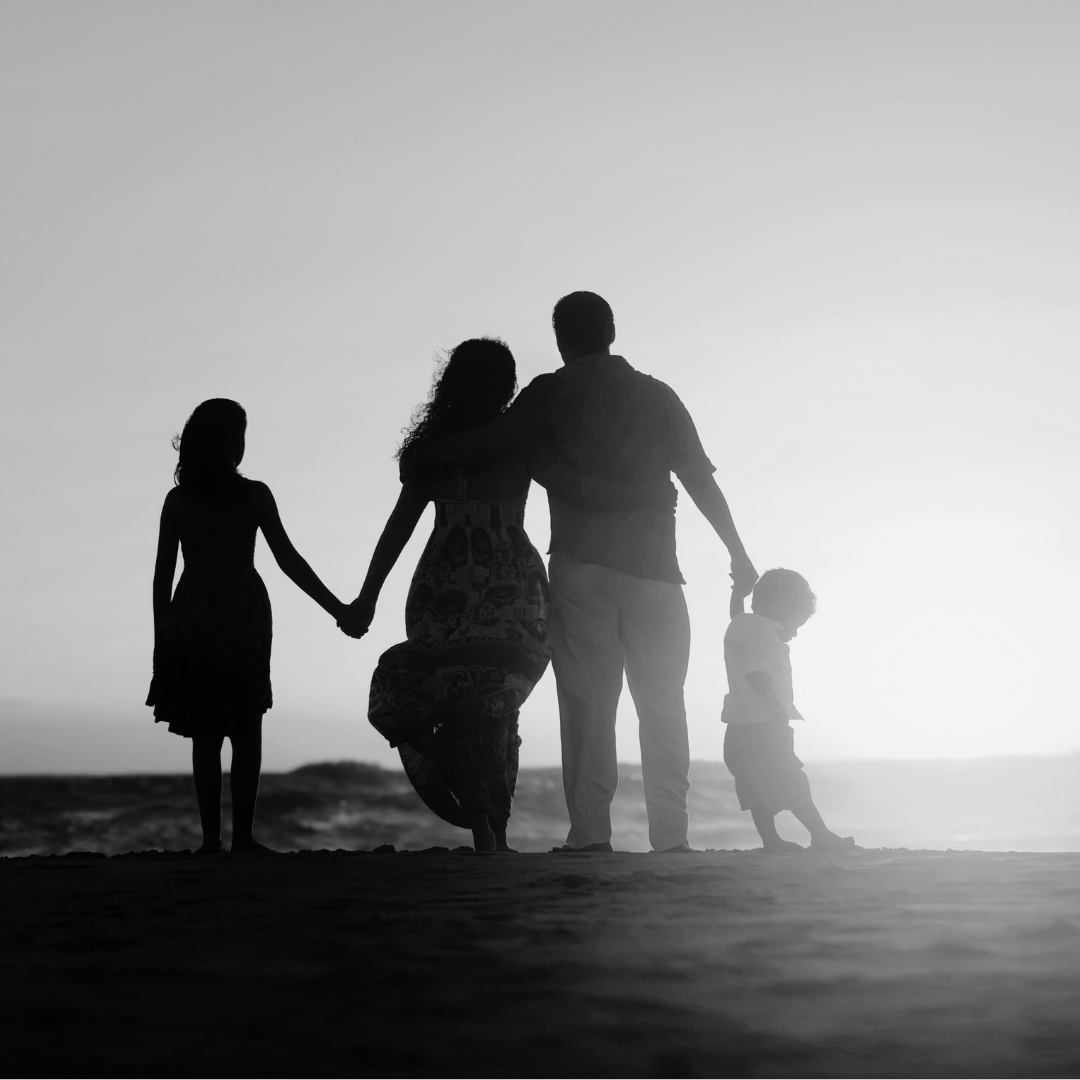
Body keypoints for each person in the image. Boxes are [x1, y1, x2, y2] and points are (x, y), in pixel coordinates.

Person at [417, 292, 757, 853]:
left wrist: (426, 455)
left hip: (584, 570)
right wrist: (737, 555)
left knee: (588, 703)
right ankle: (671, 838)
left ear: (560, 338)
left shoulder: (550, 392)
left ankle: (591, 836)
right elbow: (700, 479)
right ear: (613, 331)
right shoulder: (657, 395)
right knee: (663, 703)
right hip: (657, 573)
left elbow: (492, 441)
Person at [338, 337, 666, 853]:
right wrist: (641, 493)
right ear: (506, 385)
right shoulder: (518, 444)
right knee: (496, 705)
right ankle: (493, 832)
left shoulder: (432, 453)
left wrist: (368, 596)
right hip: (509, 586)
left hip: (441, 585)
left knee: (456, 697)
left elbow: (396, 530)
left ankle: (485, 826)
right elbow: (575, 487)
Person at [147, 398, 346, 854]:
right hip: (242, 614)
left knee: (207, 732)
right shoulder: (252, 494)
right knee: (245, 727)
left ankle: (212, 843)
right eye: (238, 434)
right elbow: (289, 561)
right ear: (227, 441)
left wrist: (163, 642)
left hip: (195, 614)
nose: (241, 443)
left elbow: (161, 580)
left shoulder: (180, 501)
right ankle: (242, 841)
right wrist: (338, 609)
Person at [722, 568, 856, 852]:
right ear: (783, 607)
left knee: (752, 788)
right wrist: (776, 709)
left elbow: (737, 614)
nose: (793, 634)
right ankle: (820, 835)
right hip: (764, 725)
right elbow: (757, 674)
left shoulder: (741, 626)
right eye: (795, 624)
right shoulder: (768, 638)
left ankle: (771, 841)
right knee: (791, 779)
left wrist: (737, 594)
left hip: (736, 729)